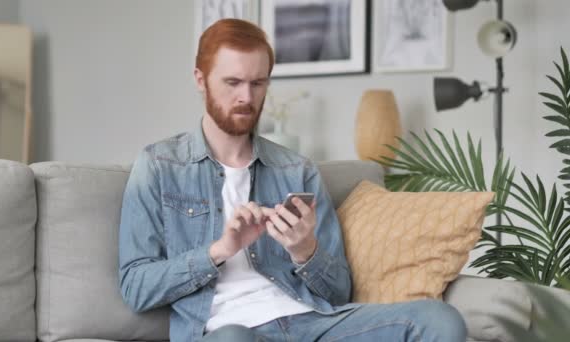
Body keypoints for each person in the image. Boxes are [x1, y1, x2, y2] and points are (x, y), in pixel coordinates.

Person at [118, 18, 467, 342]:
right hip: (231, 332)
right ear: (200, 79)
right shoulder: (159, 165)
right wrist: (221, 250)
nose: (246, 97)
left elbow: (338, 291)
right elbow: (136, 287)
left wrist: (305, 251)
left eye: (258, 83)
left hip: (311, 324)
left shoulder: (296, 169)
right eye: (233, 82)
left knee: (440, 320)